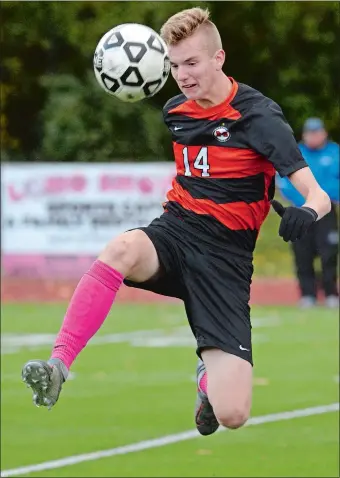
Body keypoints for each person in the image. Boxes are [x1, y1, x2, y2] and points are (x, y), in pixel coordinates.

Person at [21, 7, 331, 436]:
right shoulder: (176, 112)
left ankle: (207, 381)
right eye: (173, 65)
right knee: (121, 249)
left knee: (233, 414)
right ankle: (59, 364)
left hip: (226, 261)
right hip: (177, 231)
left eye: (191, 63)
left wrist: (307, 211)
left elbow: (318, 195)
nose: (182, 75)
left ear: (218, 59)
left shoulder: (260, 117)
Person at [276, 118, 339, 309]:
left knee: (329, 253)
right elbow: (285, 182)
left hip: (326, 211)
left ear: (324, 133)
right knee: (302, 253)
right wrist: (305, 198)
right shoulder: (296, 152)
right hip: (300, 210)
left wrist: (323, 196)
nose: (314, 136)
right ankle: (308, 294)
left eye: (317, 132)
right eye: (310, 133)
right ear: (304, 135)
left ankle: (330, 294)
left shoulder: (334, 153)